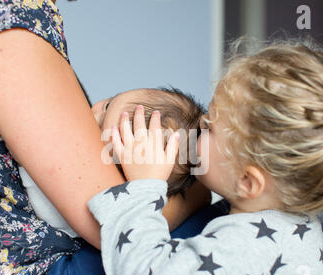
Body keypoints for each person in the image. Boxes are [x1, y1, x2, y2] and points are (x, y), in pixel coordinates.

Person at [0, 0, 209, 275]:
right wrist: (185, 194)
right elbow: (112, 228)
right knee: (215, 240)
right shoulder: (3, 22)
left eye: (104, 117)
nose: (94, 109)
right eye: (110, 102)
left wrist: (147, 189)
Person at [87, 38, 323, 275]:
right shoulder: (299, 222)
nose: (200, 123)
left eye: (210, 126)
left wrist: (143, 188)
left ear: (248, 182)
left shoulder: (247, 248)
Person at [18, 87, 208, 238]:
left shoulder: (91, 201)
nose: (91, 115)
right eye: (108, 104)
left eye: (98, 129)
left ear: (118, 180)